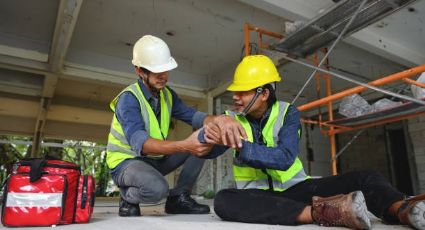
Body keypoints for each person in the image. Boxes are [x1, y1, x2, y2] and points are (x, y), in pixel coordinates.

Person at [200, 55, 425, 229]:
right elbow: (208, 150)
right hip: (259, 196)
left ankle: (403, 210)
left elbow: (286, 158)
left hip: (298, 188)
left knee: (366, 177)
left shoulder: (288, 113)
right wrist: (213, 127)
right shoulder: (231, 120)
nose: (235, 97)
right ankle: (322, 213)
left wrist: (241, 146)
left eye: (242, 92)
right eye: (235, 92)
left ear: (264, 93)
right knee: (224, 200)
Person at [106, 35, 246, 217]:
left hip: (154, 161)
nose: (163, 76)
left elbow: (195, 117)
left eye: (166, 69)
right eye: (157, 71)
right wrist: (186, 145)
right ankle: (128, 196)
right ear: (139, 71)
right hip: (126, 164)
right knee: (157, 189)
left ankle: (178, 198)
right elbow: (142, 144)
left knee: (205, 137)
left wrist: (222, 119)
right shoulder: (129, 99)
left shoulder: (167, 95)